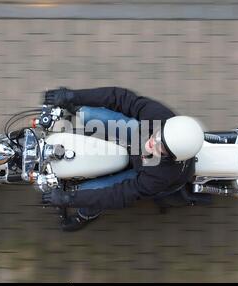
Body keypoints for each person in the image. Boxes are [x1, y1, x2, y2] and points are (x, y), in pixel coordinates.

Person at [41, 87, 206, 231]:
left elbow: (118, 195)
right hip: (137, 142)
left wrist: (69, 199)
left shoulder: (161, 176)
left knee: (87, 192)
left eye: (161, 147)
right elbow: (119, 97)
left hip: (142, 172)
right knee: (90, 113)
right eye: (158, 135)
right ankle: (76, 108)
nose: (152, 142)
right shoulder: (159, 115)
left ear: (172, 157)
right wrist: (73, 96)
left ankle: (87, 215)